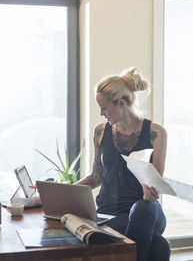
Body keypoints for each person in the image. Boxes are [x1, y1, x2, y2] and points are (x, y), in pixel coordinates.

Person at [77, 67, 170, 261]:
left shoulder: (156, 133)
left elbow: (156, 180)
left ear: (121, 103)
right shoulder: (100, 132)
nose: (100, 113)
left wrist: (149, 193)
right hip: (108, 212)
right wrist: (65, 190)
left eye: (103, 107)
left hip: (147, 210)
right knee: (160, 246)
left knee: (141, 210)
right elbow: (96, 176)